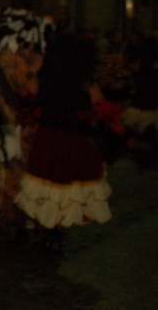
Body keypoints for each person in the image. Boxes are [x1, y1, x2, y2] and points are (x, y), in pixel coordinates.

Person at [15, 34, 123, 253]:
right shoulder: (82, 83)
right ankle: (56, 231)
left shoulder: (46, 80)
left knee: (47, 190)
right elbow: (95, 108)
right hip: (72, 140)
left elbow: (35, 106)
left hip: (47, 140)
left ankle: (49, 232)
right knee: (64, 191)